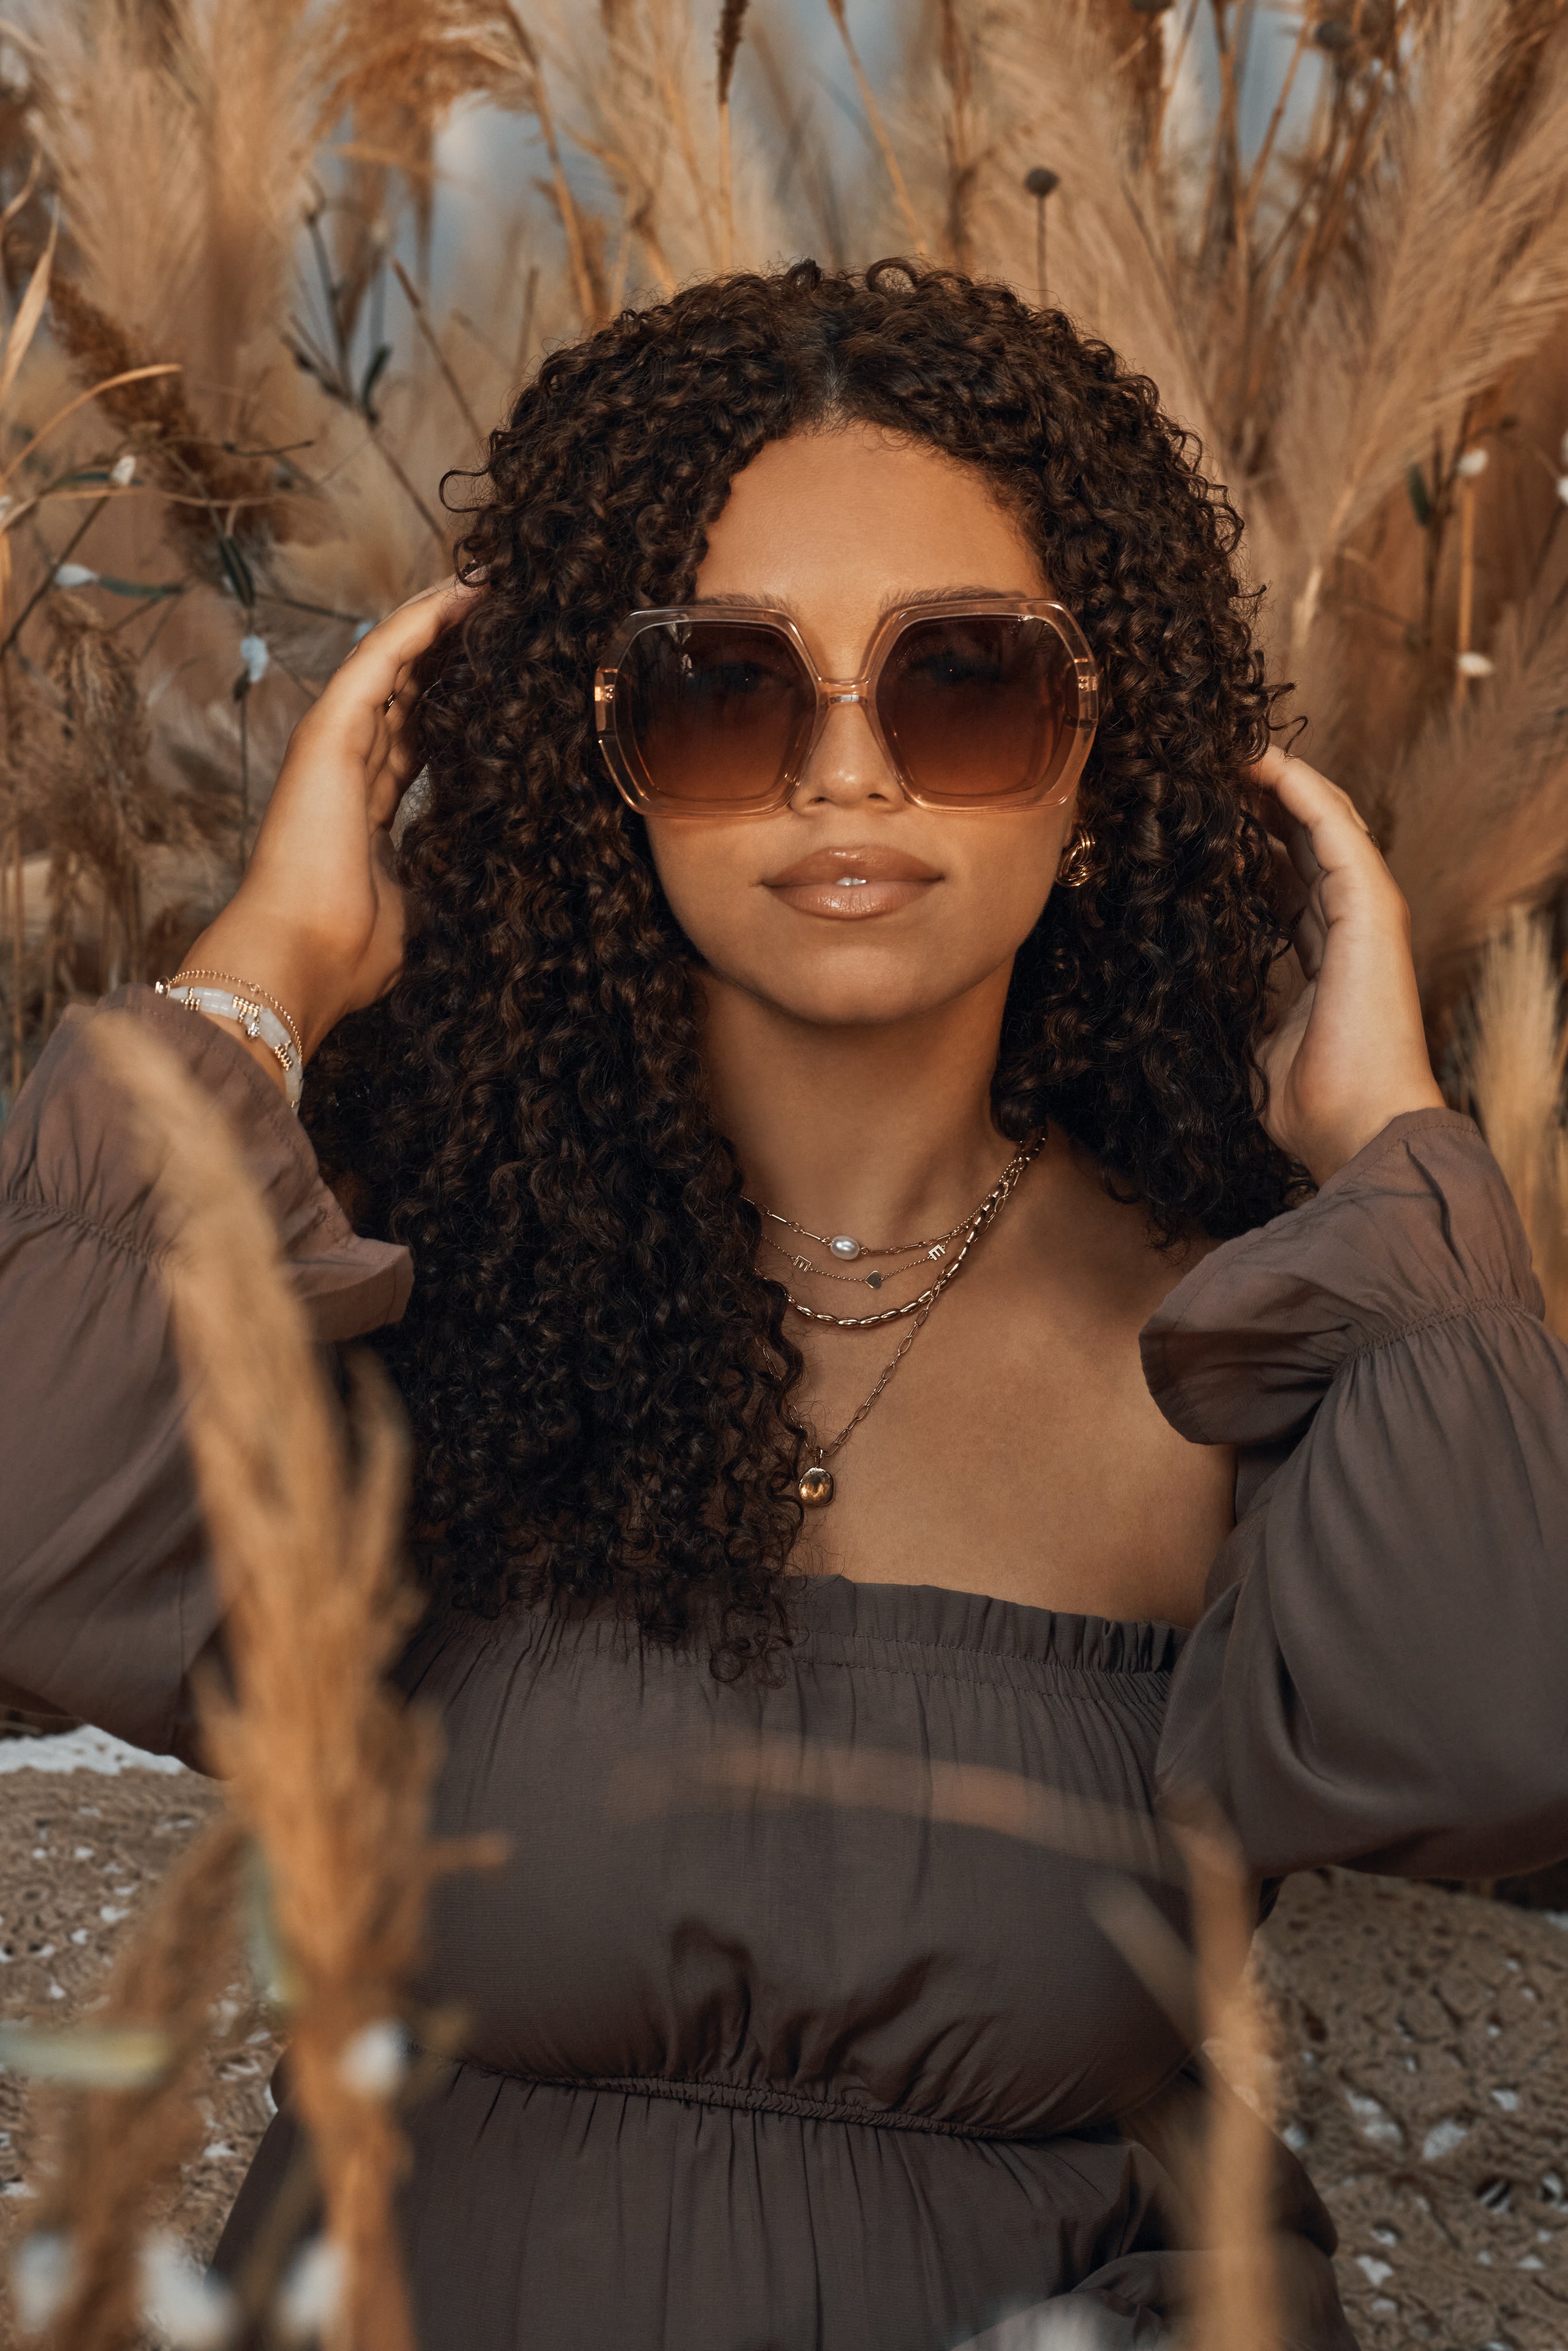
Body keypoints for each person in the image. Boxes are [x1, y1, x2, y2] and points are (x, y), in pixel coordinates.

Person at [3, 259, 1566, 2351]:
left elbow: (1502, 1740)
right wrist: (270, 963)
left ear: (1108, 747)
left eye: (965, 684)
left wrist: (1387, 1145)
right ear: (596, 760)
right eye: (723, 690)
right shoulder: (415, 1285)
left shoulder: (1236, 1336)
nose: (849, 780)